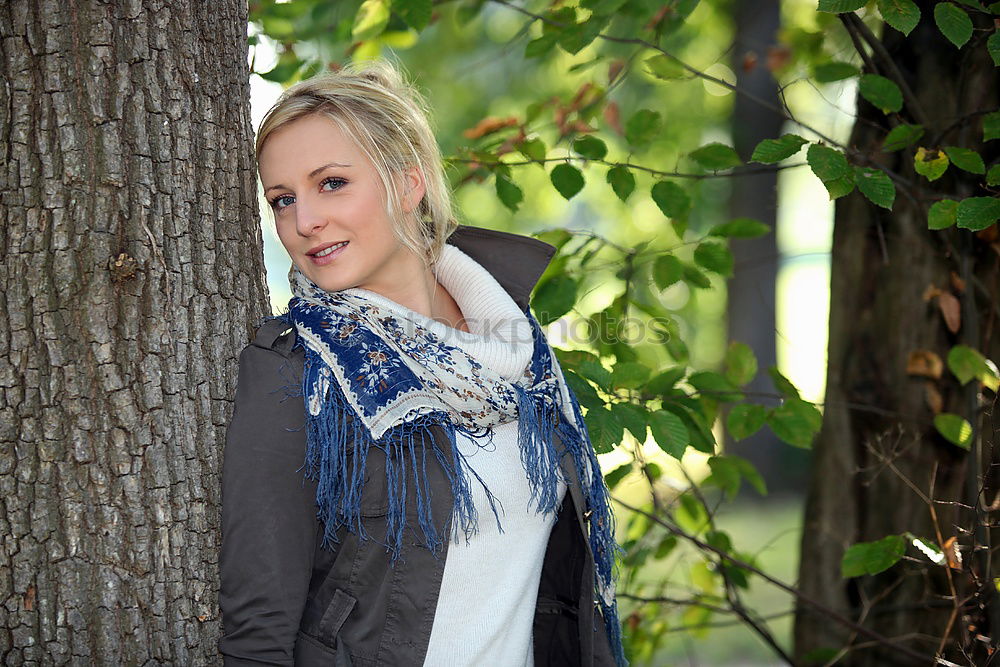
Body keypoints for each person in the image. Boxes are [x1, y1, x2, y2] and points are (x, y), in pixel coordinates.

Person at [218, 59, 626, 667]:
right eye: (282, 200)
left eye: (331, 183)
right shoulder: (295, 370)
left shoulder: (518, 348)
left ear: (408, 184)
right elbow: (258, 631)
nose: (304, 222)